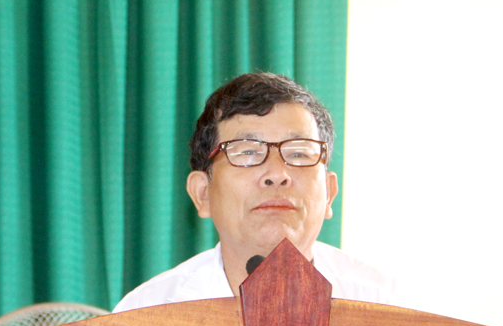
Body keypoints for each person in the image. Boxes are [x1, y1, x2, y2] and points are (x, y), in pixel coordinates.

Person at [113, 72, 395, 312]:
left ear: (330, 193)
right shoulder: (142, 314)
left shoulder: (389, 306)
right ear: (203, 193)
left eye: (298, 154)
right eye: (247, 152)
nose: (277, 174)